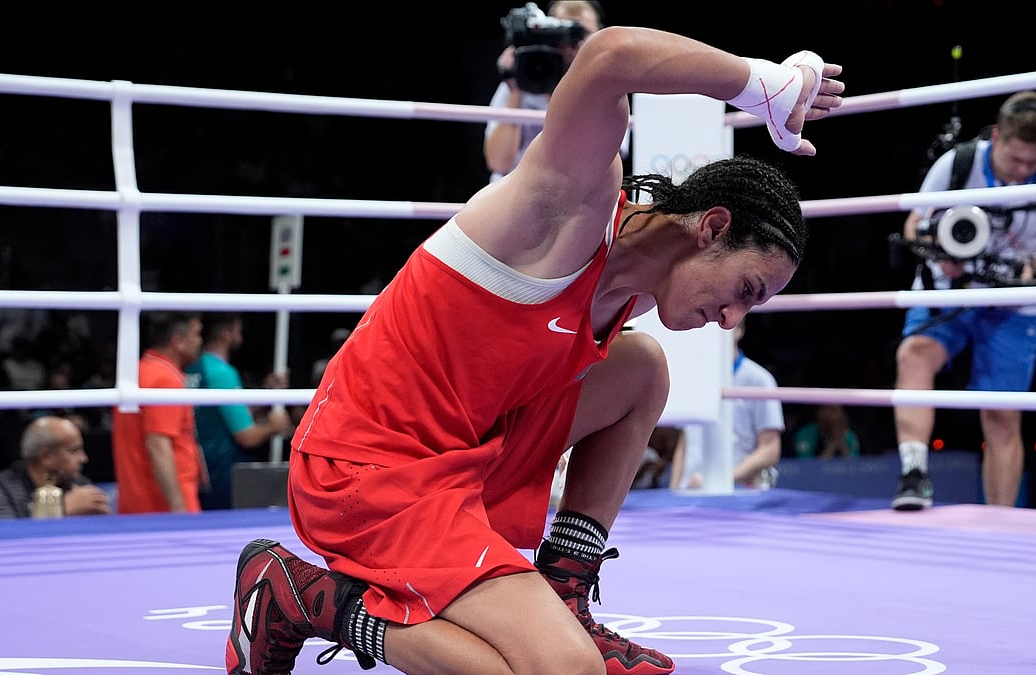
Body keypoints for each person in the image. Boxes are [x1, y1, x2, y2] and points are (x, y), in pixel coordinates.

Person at [227, 24, 842, 675]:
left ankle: (564, 590)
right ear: (711, 226)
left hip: (462, 454)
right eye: (746, 289)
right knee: (562, 670)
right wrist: (764, 83)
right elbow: (610, 56)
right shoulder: (575, 204)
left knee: (642, 368)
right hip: (366, 468)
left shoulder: (634, 286)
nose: (732, 318)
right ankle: (301, 595)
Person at [891, 91, 1036, 511]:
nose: (1022, 171)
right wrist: (943, 251)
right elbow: (913, 225)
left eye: (1032, 163)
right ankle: (914, 475)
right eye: (1016, 160)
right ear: (997, 137)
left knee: (1001, 415)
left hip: (1015, 304)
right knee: (914, 356)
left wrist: (1027, 272)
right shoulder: (957, 164)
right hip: (947, 290)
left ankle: (1001, 519)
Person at [483, 1, 629, 183]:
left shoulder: (606, 90)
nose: (574, 44)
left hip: (574, 196)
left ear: (600, 34)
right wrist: (517, 85)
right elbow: (499, 162)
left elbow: (602, 165)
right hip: (514, 194)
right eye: (564, 32)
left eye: (582, 34)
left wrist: (568, 92)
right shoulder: (517, 84)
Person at [186, 313, 292, 510]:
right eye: (238, 331)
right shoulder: (222, 373)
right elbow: (246, 436)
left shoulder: (194, 369)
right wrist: (273, 426)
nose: (241, 337)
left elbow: (223, 414)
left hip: (202, 469)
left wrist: (266, 393)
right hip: (224, 472)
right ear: (227, 334)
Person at [670, 319, 786, 490]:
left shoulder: (759, 380)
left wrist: (719, 480)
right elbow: (686, 441)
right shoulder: (692, 378)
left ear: (739, 330)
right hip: (689, 492)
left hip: (738, 492)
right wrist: (674, 491)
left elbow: (769, 450)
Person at [111, 311, 205, 514]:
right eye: (196, 335)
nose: (200, 341)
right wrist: (178, 507)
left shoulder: (138, 371)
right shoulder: (164, 380)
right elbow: (158, 446)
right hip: (161, 506)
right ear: (178, 341)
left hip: (136, 500)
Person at [0, 415, 112, 519]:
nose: (84, 458)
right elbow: (2, 543)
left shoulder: (80, 485)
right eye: (74, 451)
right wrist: (61, 509)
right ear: (46, 456)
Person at [793, 403, 860, 459]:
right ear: (818, 413)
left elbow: (854, 467)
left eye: (834, 410)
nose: (829, 415)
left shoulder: (849, 435)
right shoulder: (806, 434)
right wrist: (833, 444)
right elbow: (807, 468)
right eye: (827, 409)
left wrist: (840, 441)